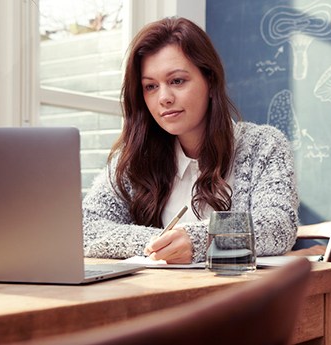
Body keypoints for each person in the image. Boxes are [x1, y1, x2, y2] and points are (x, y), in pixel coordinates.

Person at [81, 16, 298, 264]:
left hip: (240, 299)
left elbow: (277, 225)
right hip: (159, 297)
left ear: (210, 80)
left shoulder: (264, 145)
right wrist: (162, 243)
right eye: (150, 86)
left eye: (177, 81)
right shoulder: (135, 156)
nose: (164, 98)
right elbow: (85, 227)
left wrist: (197, 240)